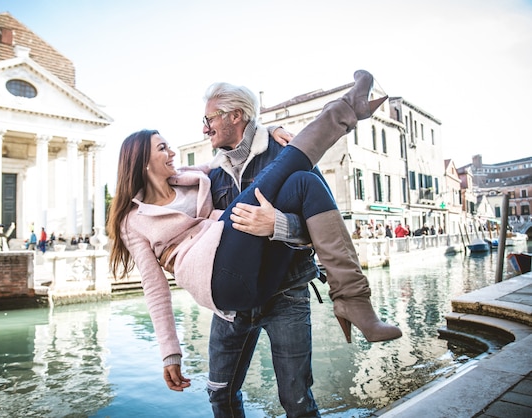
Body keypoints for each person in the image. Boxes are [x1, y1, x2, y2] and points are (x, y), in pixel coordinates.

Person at [108, 70, 401, 416]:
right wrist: (171, 353)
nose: (201, 130)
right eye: (163, 147)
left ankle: (353, 301)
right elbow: (154, 288)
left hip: (281, 287)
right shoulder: (152, 208)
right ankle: (348, 108)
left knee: (303, 181)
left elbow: (321, 218)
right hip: (224, 291)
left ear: (235, 116)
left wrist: (277, 224)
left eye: (209, 119)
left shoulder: (195, 179)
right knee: (220, 394)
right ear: (142, 160)